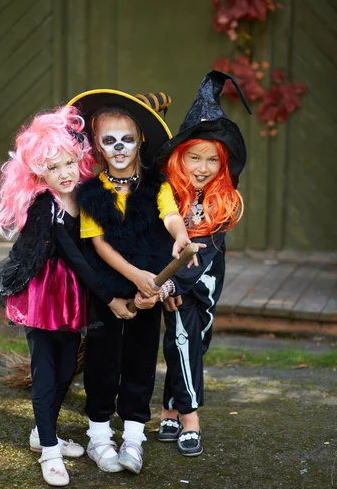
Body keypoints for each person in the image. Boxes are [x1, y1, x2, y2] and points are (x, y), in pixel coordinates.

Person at [67, 89, 194, 475]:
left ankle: (134, 437)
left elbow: (171, 215)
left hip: (149, 288)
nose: (119, 148)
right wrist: (133, 277)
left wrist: (180, 236)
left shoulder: (158, 185)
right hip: (108, 288)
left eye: (126, 139)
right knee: (103, 363)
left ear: (140, 140)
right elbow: (99, 245)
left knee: (140, 361)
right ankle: (100, 436)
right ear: (98, 146)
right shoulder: (91, 192)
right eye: (109, 141)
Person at [135, 70, 251, 457]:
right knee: (181, 340)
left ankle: (168, 407)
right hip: (174, 281)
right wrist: (166, 284)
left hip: (204, 280)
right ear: (179, 159)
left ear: (224, 166)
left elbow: (208, 250)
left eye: (212, 161)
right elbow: (156, 238)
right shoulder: (167, 195)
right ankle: (189, 419)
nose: (202, 168)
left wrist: (177, 283)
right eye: (194, 158)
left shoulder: (223, 204)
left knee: (197, 343)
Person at [0, 105, 97, 487]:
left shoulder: (85, 197)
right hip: (42, 292)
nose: (64, 173)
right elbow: (63, 250)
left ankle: (43, 432)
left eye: (69, 163)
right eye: (53, 168)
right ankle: (50, 452)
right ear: (39, 173)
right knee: (45, 370)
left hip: (73, 294)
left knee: (69, 365)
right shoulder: (43, 205)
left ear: (79, 160)